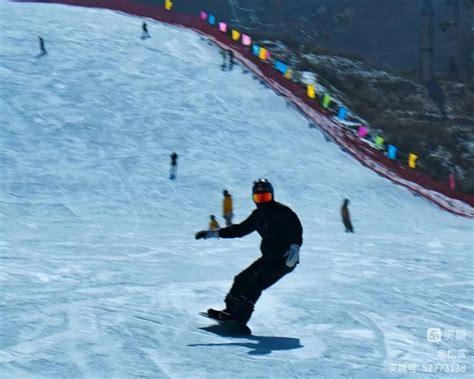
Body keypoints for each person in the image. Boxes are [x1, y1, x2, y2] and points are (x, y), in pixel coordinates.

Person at [195, 179, 303, 325]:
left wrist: (295, 247)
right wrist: (214, 233)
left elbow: (296, 230)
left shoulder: (284, 212)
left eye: (266, 197)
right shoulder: (257, 216)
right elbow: (239, 230)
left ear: (272, 196)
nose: (263, 201)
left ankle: (241, 317)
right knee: (241, 279)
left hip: (285, 259)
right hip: (268, 257)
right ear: (254, 198)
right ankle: (230, 311)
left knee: (256, 282)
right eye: (259, 198)